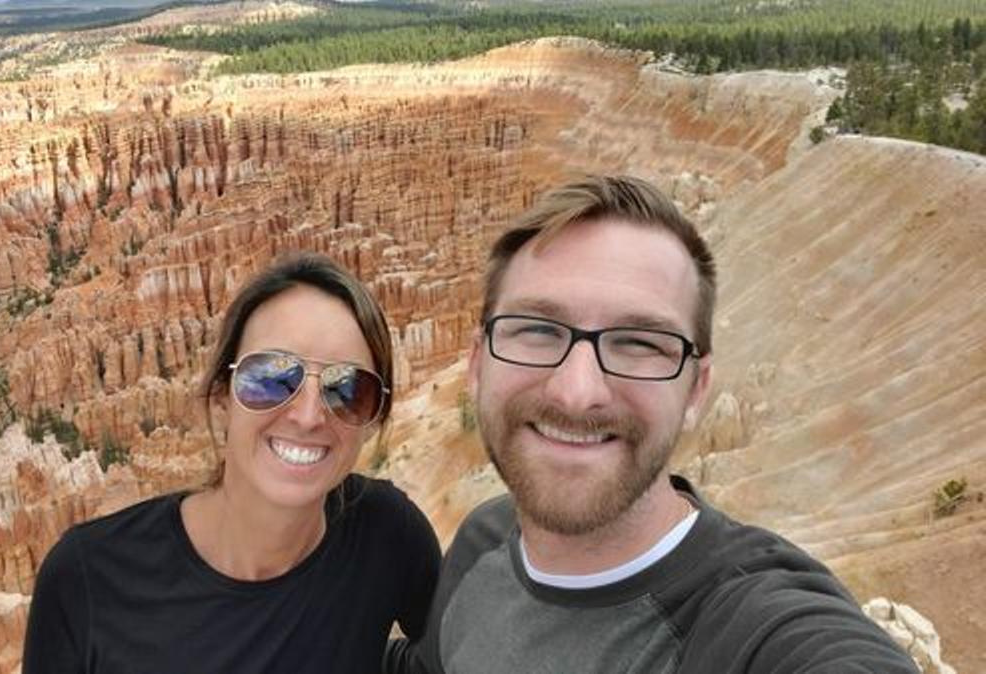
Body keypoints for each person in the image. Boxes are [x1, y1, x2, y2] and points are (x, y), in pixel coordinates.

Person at [384, 176, 918, 673]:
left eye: (639, 343)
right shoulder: (484, 541)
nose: (577, 391)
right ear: (477, 364)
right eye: (538, 330)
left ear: (697, 390)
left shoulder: (749, 626)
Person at [24, 252, 441, 673]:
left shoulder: (387, 534)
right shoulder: (87, 581)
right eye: (273, 378)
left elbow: (454, 652)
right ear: (223, 396)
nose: (309, 415)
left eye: (348, 390)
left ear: (373, 419)